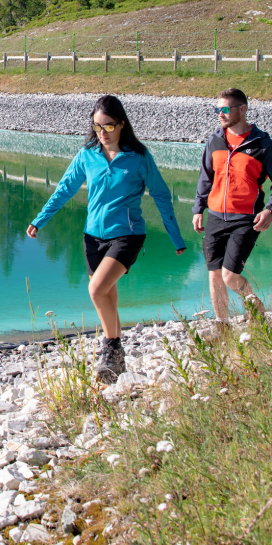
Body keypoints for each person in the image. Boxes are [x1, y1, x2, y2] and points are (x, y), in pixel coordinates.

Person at [26, 94, 186, 383]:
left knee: (97, 290)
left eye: (109, 126)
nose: (102, 133)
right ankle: (116, 358)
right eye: (97, 126)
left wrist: (176, 237)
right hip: (92, 238)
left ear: (122, 124)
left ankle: (110, 348)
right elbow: (64, 189)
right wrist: (40, 219)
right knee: (107, 294)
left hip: (127, 235)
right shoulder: (87, 154)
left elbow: (161, 195)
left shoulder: (138, 157)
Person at [193, 88, 272, 326]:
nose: (220, 114)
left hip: (246, 219)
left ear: (243, 109)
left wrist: (269, 209)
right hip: (216, 216)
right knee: (215, 274)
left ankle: (256, 307)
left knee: (229, 275)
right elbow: (206, 177)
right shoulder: (215, 140)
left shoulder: (263, 144)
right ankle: (222, 325)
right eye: (217, 109)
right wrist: (198, 208)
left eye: (225, 109)